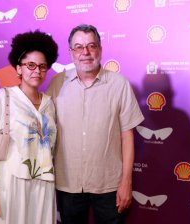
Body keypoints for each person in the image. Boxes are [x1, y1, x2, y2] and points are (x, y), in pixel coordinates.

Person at [47, 24, 144, 224]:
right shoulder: (57, 84)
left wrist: (126, 182)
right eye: (79, 47)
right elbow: (45, 131)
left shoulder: (119, 85)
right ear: (71, 53)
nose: (86, 52)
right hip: (68, 184)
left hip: (109, 186)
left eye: (92, 46)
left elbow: (127, 137)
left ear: (100, 50)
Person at [0, 30, 59, 224]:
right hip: (10, 185)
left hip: (43, 186)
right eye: (30, 65)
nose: (37, 71)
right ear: (19, 68)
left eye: (42, 66)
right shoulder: (2, 99)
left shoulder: (49, 104)